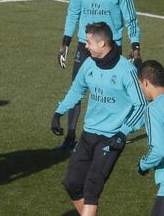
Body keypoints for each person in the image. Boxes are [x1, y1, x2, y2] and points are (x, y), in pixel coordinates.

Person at [50, 22, 146, 216]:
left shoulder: (126, 71)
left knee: (92, 188)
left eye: (89, 42)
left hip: (111, 138)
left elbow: (142, 105)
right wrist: (58, 113)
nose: (85, 46)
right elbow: (77, 90)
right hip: (88, 134)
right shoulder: (88, 64)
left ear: (102, 43)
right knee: (72, 184)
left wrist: (123, 132)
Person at [56, 0, 142, 149]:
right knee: (77, 89)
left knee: (113, 93)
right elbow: (72, 13)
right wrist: (65, 42)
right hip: (85, 47)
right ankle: (70, 135)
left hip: (111, 48)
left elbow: (130, 18)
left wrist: (136, 46)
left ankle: (118, 132)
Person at [137, 60, 164, 216]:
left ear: (145, 83)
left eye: (140, 84)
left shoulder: (153, 109)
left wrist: (143, 164)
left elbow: (159, 150)